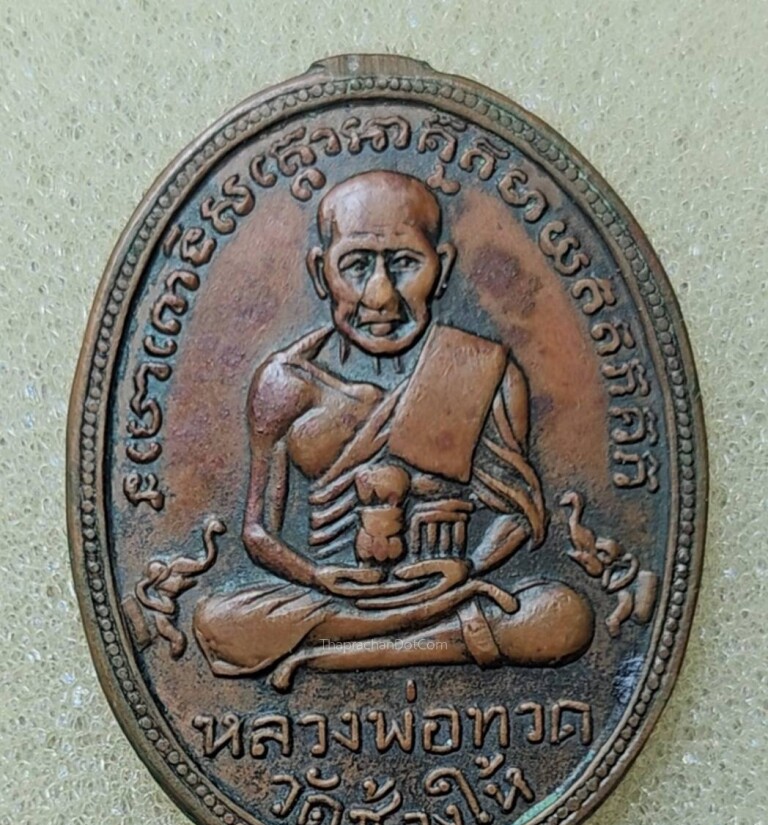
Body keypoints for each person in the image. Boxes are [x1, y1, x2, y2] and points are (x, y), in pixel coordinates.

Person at [193, 171, 593, 689]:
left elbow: (517, 512)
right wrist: (317, 576)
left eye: (404, 264)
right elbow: (257, 532)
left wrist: (470, 566)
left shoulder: (481, 369)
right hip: (335, 596)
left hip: (444, 586)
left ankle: (330, 653)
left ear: (441, 268)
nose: (380, 295)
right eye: (356, 266)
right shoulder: (285, 383)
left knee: (563, 615)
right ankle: (422, 640)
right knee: (218, 621)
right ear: (320, 271)